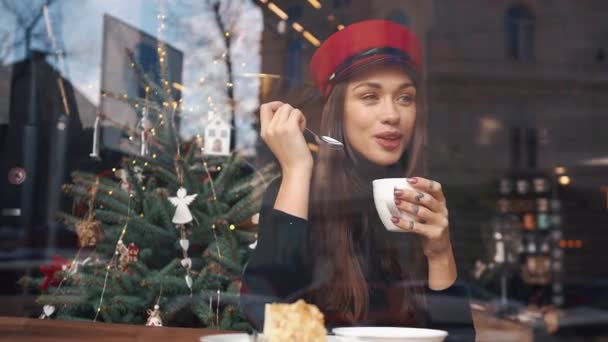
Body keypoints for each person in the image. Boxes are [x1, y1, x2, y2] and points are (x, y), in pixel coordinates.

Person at [241, 20, 476, 341]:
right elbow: (266, 313)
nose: (392, 114)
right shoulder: (303, 191)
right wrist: (296, 169)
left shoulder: (425, 203)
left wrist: (439, 252)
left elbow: (458, 339)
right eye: (370, 96)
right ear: (339, 111)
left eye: (405, 98)